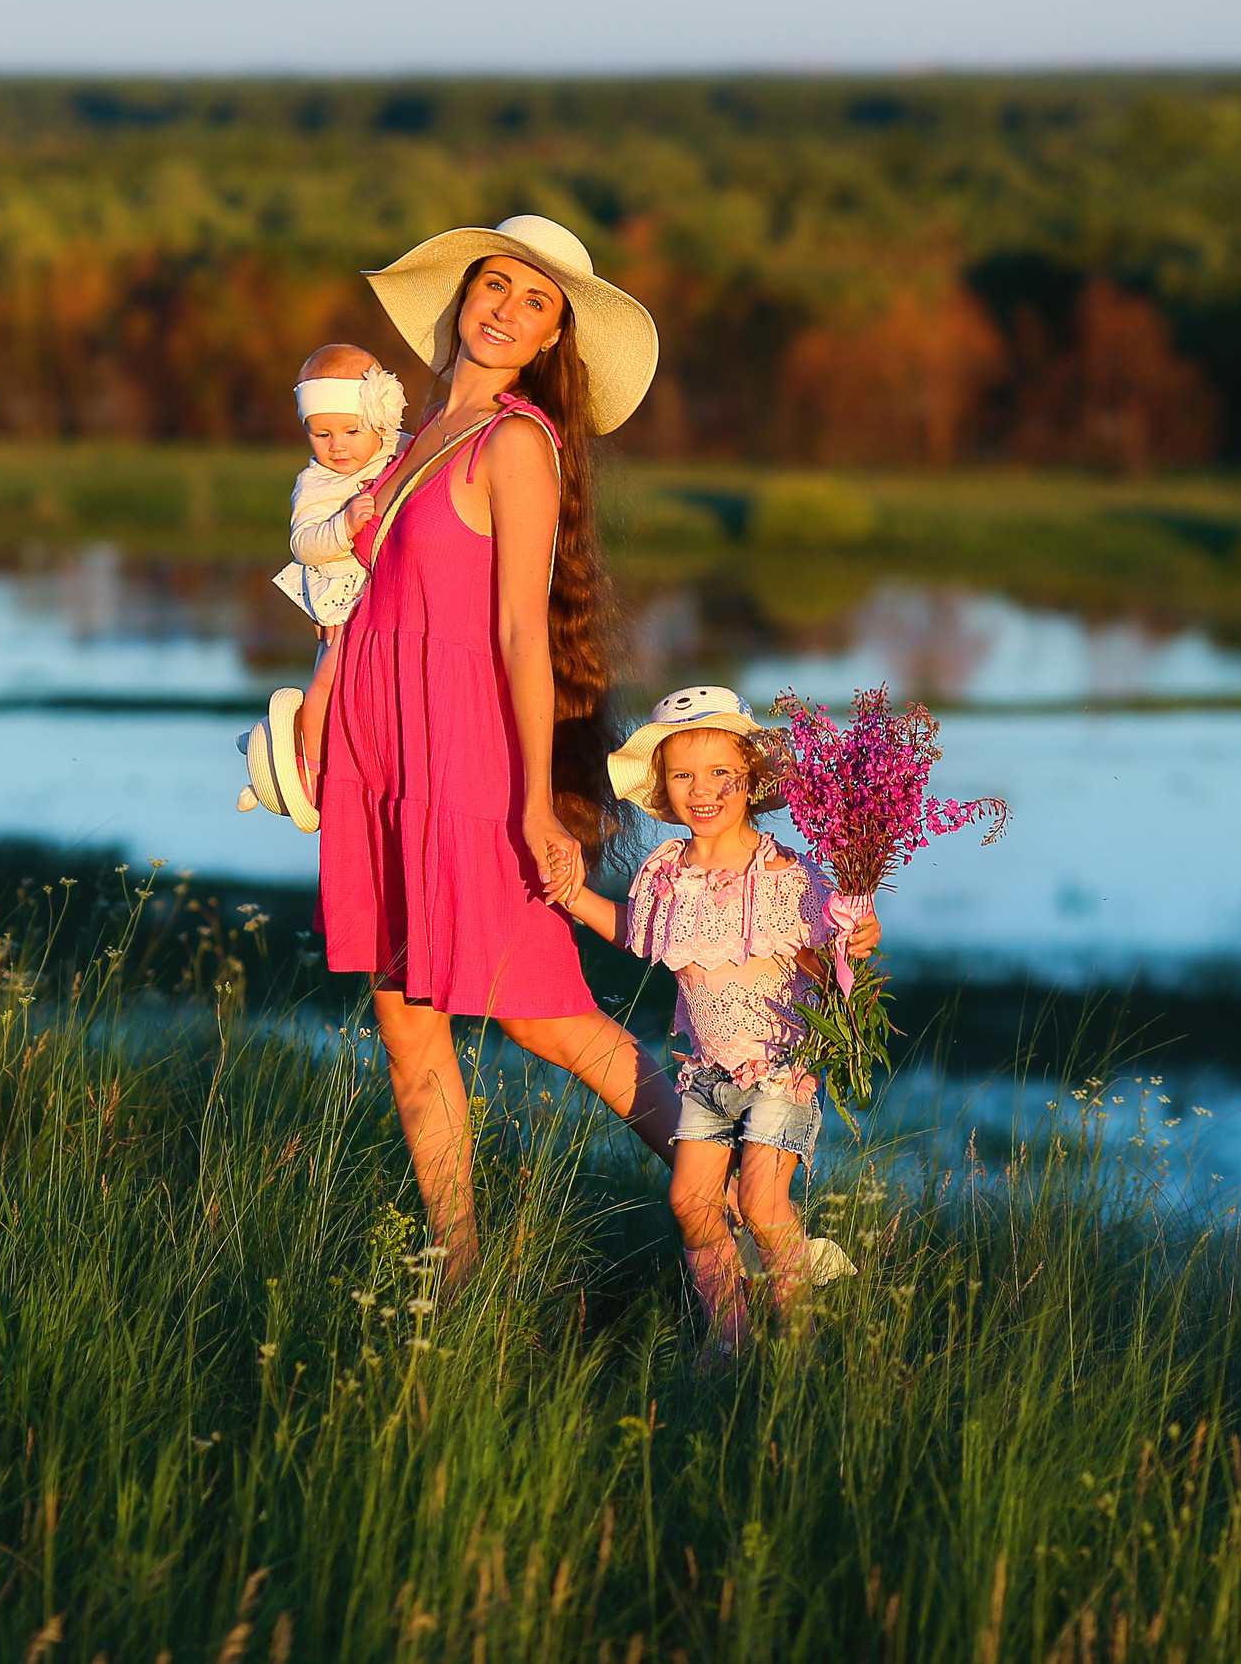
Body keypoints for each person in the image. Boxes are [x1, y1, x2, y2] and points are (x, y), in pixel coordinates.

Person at [314, 213, 682, 1288]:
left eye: (536, 302)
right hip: (378, 750)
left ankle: (739, 1201)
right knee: (403, 1022)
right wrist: (317, 719)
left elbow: (523, 631)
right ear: (464, 293)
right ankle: (458, 1276)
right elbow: (356, 596)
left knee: (546, 1016)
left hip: (468, 759)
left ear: (552, 336)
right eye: (496, 285)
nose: (506, 310)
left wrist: (533, 806)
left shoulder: (515, 440)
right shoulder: (410, 431)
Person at [558, 687, 881, 1348]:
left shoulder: (786, 871)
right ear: (664, 787)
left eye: (718, 774)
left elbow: (831, 953)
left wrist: (857, 936)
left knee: (763, 1205)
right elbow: (634, 932)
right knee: (691, 1203)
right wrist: (571, 896)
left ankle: (798, 1343)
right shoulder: (666, 872)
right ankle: (728, 1340)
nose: (701, 790)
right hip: (705, 1073)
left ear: (750, 778)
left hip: (782, 1067)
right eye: (683, 775)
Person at [272, 344, 406, 786]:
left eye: (351, 431)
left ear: (378, 420)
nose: (337, 447)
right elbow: (303, 543)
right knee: (329, 678)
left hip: (387, 596)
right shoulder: (316, 484)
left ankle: (356, 755)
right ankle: (308, 764)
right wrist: (342, 525)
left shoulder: (399, 450)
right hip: (343, 601)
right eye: (321, 434)